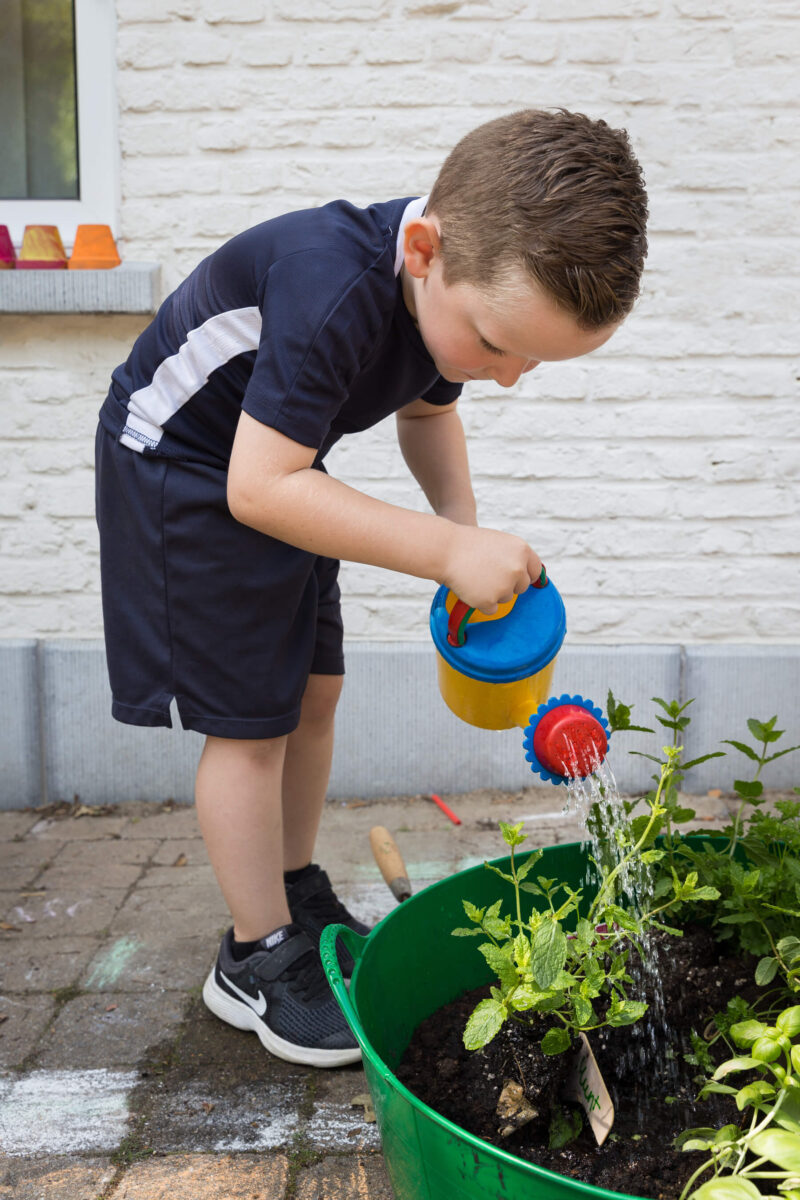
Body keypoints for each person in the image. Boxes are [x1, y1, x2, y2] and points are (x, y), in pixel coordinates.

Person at [95, 107, 648, 1068]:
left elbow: (427, 419)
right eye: (497, 345)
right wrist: (441, 554)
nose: (510, 377)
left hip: (277, 475)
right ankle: (254, 956)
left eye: (534, 362)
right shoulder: (333, 287)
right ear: (426, 249)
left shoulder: (443, 296)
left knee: (315, 692)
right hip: (181, 474)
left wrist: (465, 538)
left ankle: (293, 883)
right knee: (250, 723)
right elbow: (256, 487)